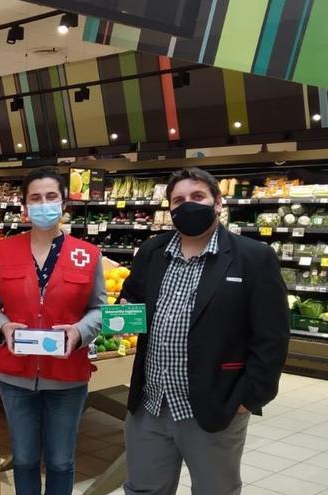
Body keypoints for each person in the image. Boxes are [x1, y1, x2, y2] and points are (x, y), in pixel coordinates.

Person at [119, 167, 290, 495]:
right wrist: (114, 312)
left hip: (214, 406)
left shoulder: (253, 257)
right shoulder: (153, 251)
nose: (187, 205)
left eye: (197, 197)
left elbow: (272, 336)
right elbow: (131, 300)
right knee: (143, 490)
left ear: (218, 203)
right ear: (169, 208)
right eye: (178, 200)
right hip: (150, 404)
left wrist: (249, 398)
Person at [0, 166, 106, 495]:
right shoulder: (3, 251)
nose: (43, 204)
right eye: (35, 198)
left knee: (61, 461)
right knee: (23, 458)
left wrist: (78, 332)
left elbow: (100, 310)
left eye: (51, 197)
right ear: (24, 206)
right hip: (16, 377)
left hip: (67, 376)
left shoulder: (88, 254)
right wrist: (3, 327)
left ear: (64, 203)